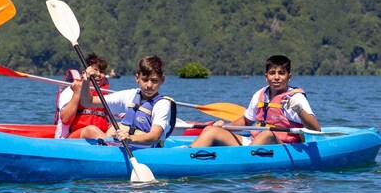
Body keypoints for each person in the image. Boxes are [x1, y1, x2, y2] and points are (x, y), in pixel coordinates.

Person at [190, 55, 320, 147]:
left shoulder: (295, 98)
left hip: (283, 146)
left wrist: (298, 109)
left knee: (267, 134)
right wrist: (224, 127)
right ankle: (187, 155)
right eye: (272, 73)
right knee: (211, 130)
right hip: (255, 142)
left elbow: (315, 129)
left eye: (281, 73)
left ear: (289, 77)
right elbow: (246, 121)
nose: (276, 77)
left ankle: (243, 160)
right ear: (266, 77)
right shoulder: (260, 94)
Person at [79, 54, 176, 146]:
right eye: (145, 80)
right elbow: (87, 102)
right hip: (124, 147)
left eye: (154, 81)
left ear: (162, 80)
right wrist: (86, 81)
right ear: (137, 78)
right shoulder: (130, 95)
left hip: (147, 151)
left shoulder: (162, 104)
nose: (149, 85)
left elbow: (154, 136)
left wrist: (130, 138)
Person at [55, 53, 111, 139]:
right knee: (91, 130)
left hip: (99, 135)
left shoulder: (105, 93)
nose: (99, 75)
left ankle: (110, 145)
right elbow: (66, 119)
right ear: (85, 73)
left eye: (102, 72)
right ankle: (109, 148)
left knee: (120, 126)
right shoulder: (70, 91)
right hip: (71, 137)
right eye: (95, 70)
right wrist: (77, 93)